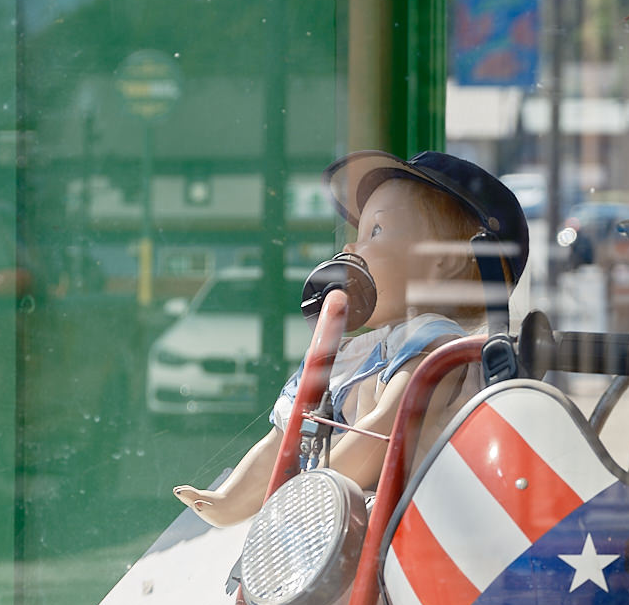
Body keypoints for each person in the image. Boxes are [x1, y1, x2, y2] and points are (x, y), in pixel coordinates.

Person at [173, 151, 526, 528]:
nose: (350, 250)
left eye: (375, 231)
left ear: (446, 259)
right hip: (341, 524)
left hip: (402, 532)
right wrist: (245, 495)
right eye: (356, 236)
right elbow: (286, 437)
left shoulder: (433, 343)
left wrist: (306, 491)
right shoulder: (359, 351)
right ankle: (231, 499)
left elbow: (385, 429)